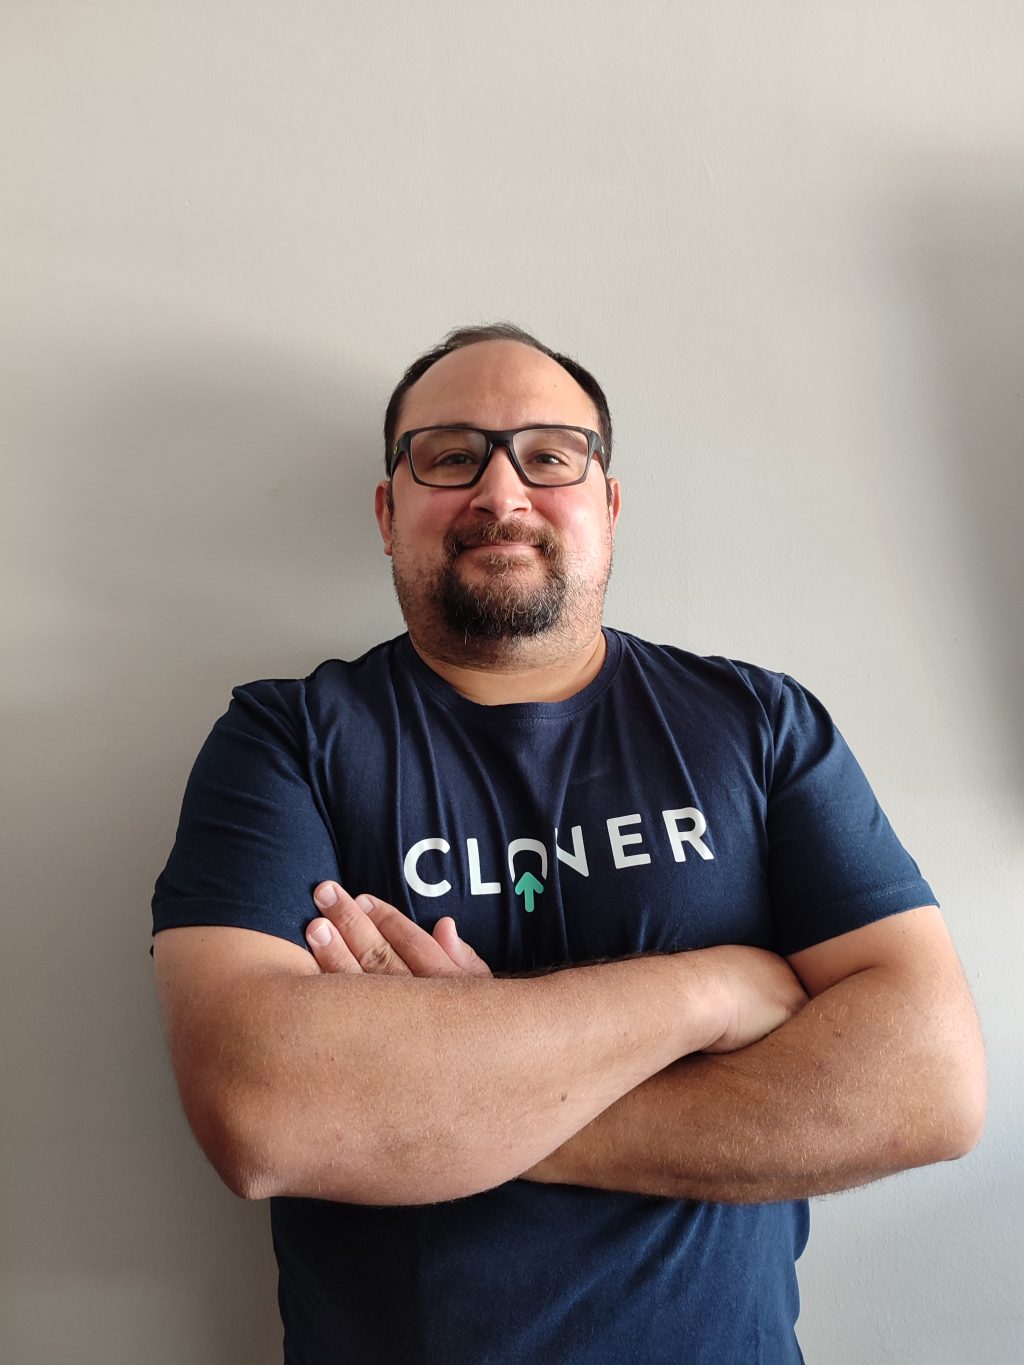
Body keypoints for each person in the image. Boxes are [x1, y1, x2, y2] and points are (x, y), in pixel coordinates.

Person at [152, 323, 986, 1364]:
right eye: (449, 456)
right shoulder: (285, 739)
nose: (500, 492)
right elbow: (263, 1114)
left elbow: (928, 1086)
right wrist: (709, 993)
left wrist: (447, 1103)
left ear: (608, 505)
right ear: (387, 511)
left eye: (549, 455)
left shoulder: (758, 724)